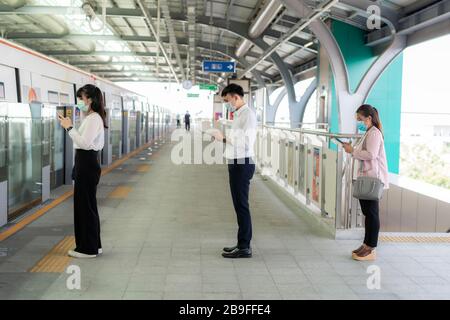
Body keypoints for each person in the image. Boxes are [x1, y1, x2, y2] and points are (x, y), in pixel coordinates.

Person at [58, 84, 106, 259]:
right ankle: (94, 245)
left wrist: (69, 127)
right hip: (86, 162)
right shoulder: (92, 118)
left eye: (81, 98)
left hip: (87, 163)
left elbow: (84, 143)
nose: (79, 102)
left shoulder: (93, 119)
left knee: (84, 207)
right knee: (88, 205)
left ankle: (87, 249)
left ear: (90, 99)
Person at [212, 84, 256, 258]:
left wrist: (223, 138)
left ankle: (244, 247)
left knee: (242, 206)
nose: (227, 104)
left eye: (227, 100)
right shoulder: (239, 114)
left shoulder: (248, 115)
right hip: (236, 162)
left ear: (235, 97)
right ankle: (241, 243)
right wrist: (225, 131)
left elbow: (246, 143)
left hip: (242, 163)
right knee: (239, 206)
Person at [343, 104, 389, 261]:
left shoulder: (374, 133)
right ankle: (366, 244)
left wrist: (352, 151)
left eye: (360, 119)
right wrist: (352, 149)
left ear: (369, 118)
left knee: (372, 213)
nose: (359, 122)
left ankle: (371, 247)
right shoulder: (369, 132)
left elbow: (371, 154)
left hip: (373, 178)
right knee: (367, 213)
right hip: (367, 176)